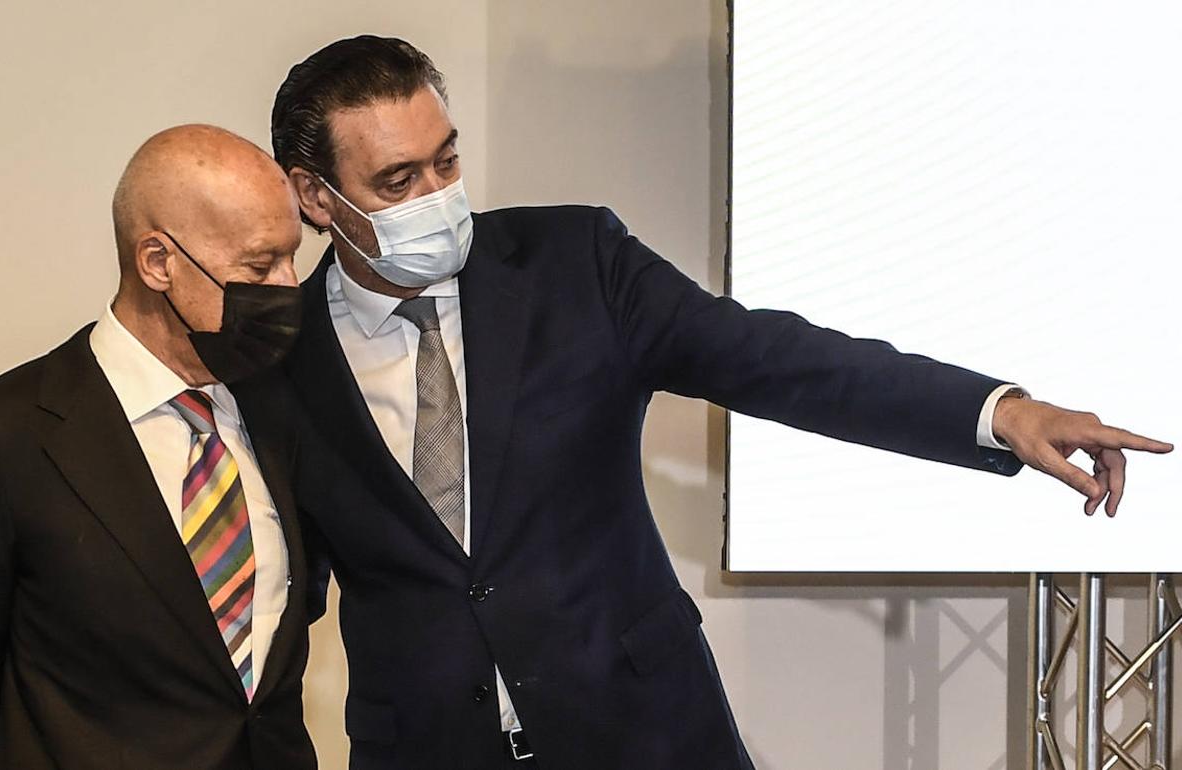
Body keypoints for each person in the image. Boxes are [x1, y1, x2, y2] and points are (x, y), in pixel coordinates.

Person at [270, 36, 1172, 769]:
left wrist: (998, 412)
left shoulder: (574, 264)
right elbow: (273, 608)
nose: (437, 198)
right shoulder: (280, 361)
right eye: (398, 183)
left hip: (646, 734)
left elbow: (784, 363)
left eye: (447, 161)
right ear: (315, 195)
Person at [0, 125, 318, 769]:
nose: (287, 286)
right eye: (259, 266)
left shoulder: (283, 411)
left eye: (291, 258)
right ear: (158, 262)